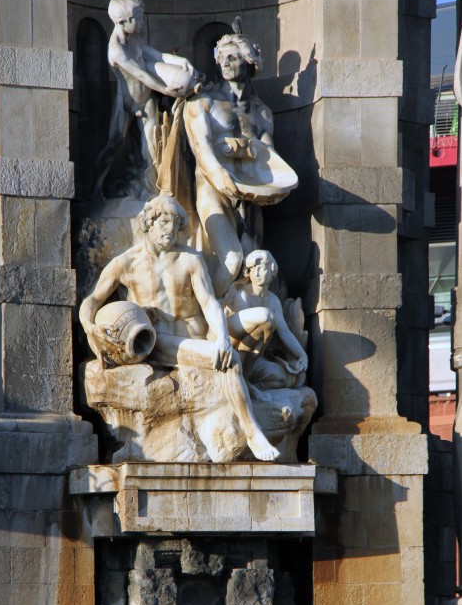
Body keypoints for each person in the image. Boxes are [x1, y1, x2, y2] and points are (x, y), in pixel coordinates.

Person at [79, 195, 280, 461]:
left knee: (263, 318)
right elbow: (92, 299)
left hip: (201, 335)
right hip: (162, 341)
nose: (170, 230)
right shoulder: (126, 263)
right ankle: (252, 432)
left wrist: (221, 337)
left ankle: (242, 381)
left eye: (175, 223)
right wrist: (89, 324)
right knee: (227, 362)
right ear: (148, 223)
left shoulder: (190, 259)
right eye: (163, 222)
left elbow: (209, 302)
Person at [184, 29, 294, 297]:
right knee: (232, 260)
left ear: (249, 61)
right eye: (221, 57)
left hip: (251, 200)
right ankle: (207, 320)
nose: (224, 63)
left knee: (250, 264)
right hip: (213, 190)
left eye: (232, 57)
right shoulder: (204, 101)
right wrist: (222, 176)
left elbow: (272, 160)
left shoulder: (262, 112)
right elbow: (201, 147)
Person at [92, 0, 202, 200]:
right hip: (125, 105)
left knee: (151, 147)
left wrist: (181, 61)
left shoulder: (135, 40)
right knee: (114, 145)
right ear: (122, 22)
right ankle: (96, 187)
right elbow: (141, 74)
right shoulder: (116, 49)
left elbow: (157, 56)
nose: (143, 23)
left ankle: (149, 191)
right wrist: (167, 90)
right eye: (139, 19)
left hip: (146, 100)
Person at [223, 250, 308, 400]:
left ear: (272, 271)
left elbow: (284, 332)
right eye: (252, 269)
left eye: (261, 268)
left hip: (256, 359)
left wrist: (302, 354)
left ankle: (251, 384)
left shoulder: (273, 300)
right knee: (266, 317)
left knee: (288, 378)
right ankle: (244, 381)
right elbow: (246, 335)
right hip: (239, 354)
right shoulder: (242, 295)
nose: (256, 273)